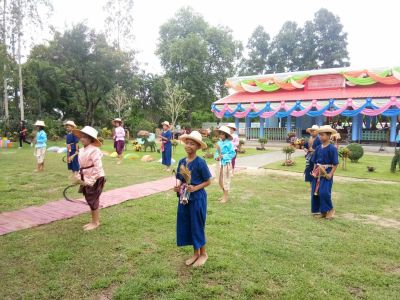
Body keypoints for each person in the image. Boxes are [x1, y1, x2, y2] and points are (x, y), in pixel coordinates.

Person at [174, 131, 212, 267]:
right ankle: (195, 253)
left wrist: (195, 188)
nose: (188, 146)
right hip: (185, 198)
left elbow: (208, 181)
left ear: (197, 147)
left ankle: (203, 254)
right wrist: (178, 187)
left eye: (192, 144)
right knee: (188, 224)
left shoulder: (200, 162)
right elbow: (179, 178)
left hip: (198, 198)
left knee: (197, 225)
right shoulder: (182, 162)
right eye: (187, 143)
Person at [72, 126, 106, 231]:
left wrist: (91, 181)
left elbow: (98, 167)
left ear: (91, 139)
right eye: (82, 136)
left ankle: (95, 222)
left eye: (85, 137)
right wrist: (78, 177)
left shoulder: (94, 150)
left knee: (93, 199)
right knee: (89, 198)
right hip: (86, 178)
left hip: (96, 178)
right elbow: (82, 166)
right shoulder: (82, 150)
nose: (82, 139)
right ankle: (93, 221)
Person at [310, 125, 339, 220]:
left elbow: (335, 163)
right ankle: (322, 212)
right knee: (316, 192)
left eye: (322, 135)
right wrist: (314, 172)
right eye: (320, 135)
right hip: (317, 172)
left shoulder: (332, 148)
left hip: (327, 172)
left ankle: (330, 209)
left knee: (324, 192)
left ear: (329, 136)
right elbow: (315, 161)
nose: (320, 137)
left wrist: (330, 174)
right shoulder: (318, 148)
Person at [214, 125, 236, 203]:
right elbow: (216, 153)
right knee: (220, 180)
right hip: (219, 163)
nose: (221, 135)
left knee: (225, 180)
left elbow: (232, 153)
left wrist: (224, 156)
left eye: (222, 134)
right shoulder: (219, 143)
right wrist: (216, 157)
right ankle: (224, 194)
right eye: (220, 133)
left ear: (226, 135)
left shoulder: (229, 143)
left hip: (226, 163)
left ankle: (226, 197)